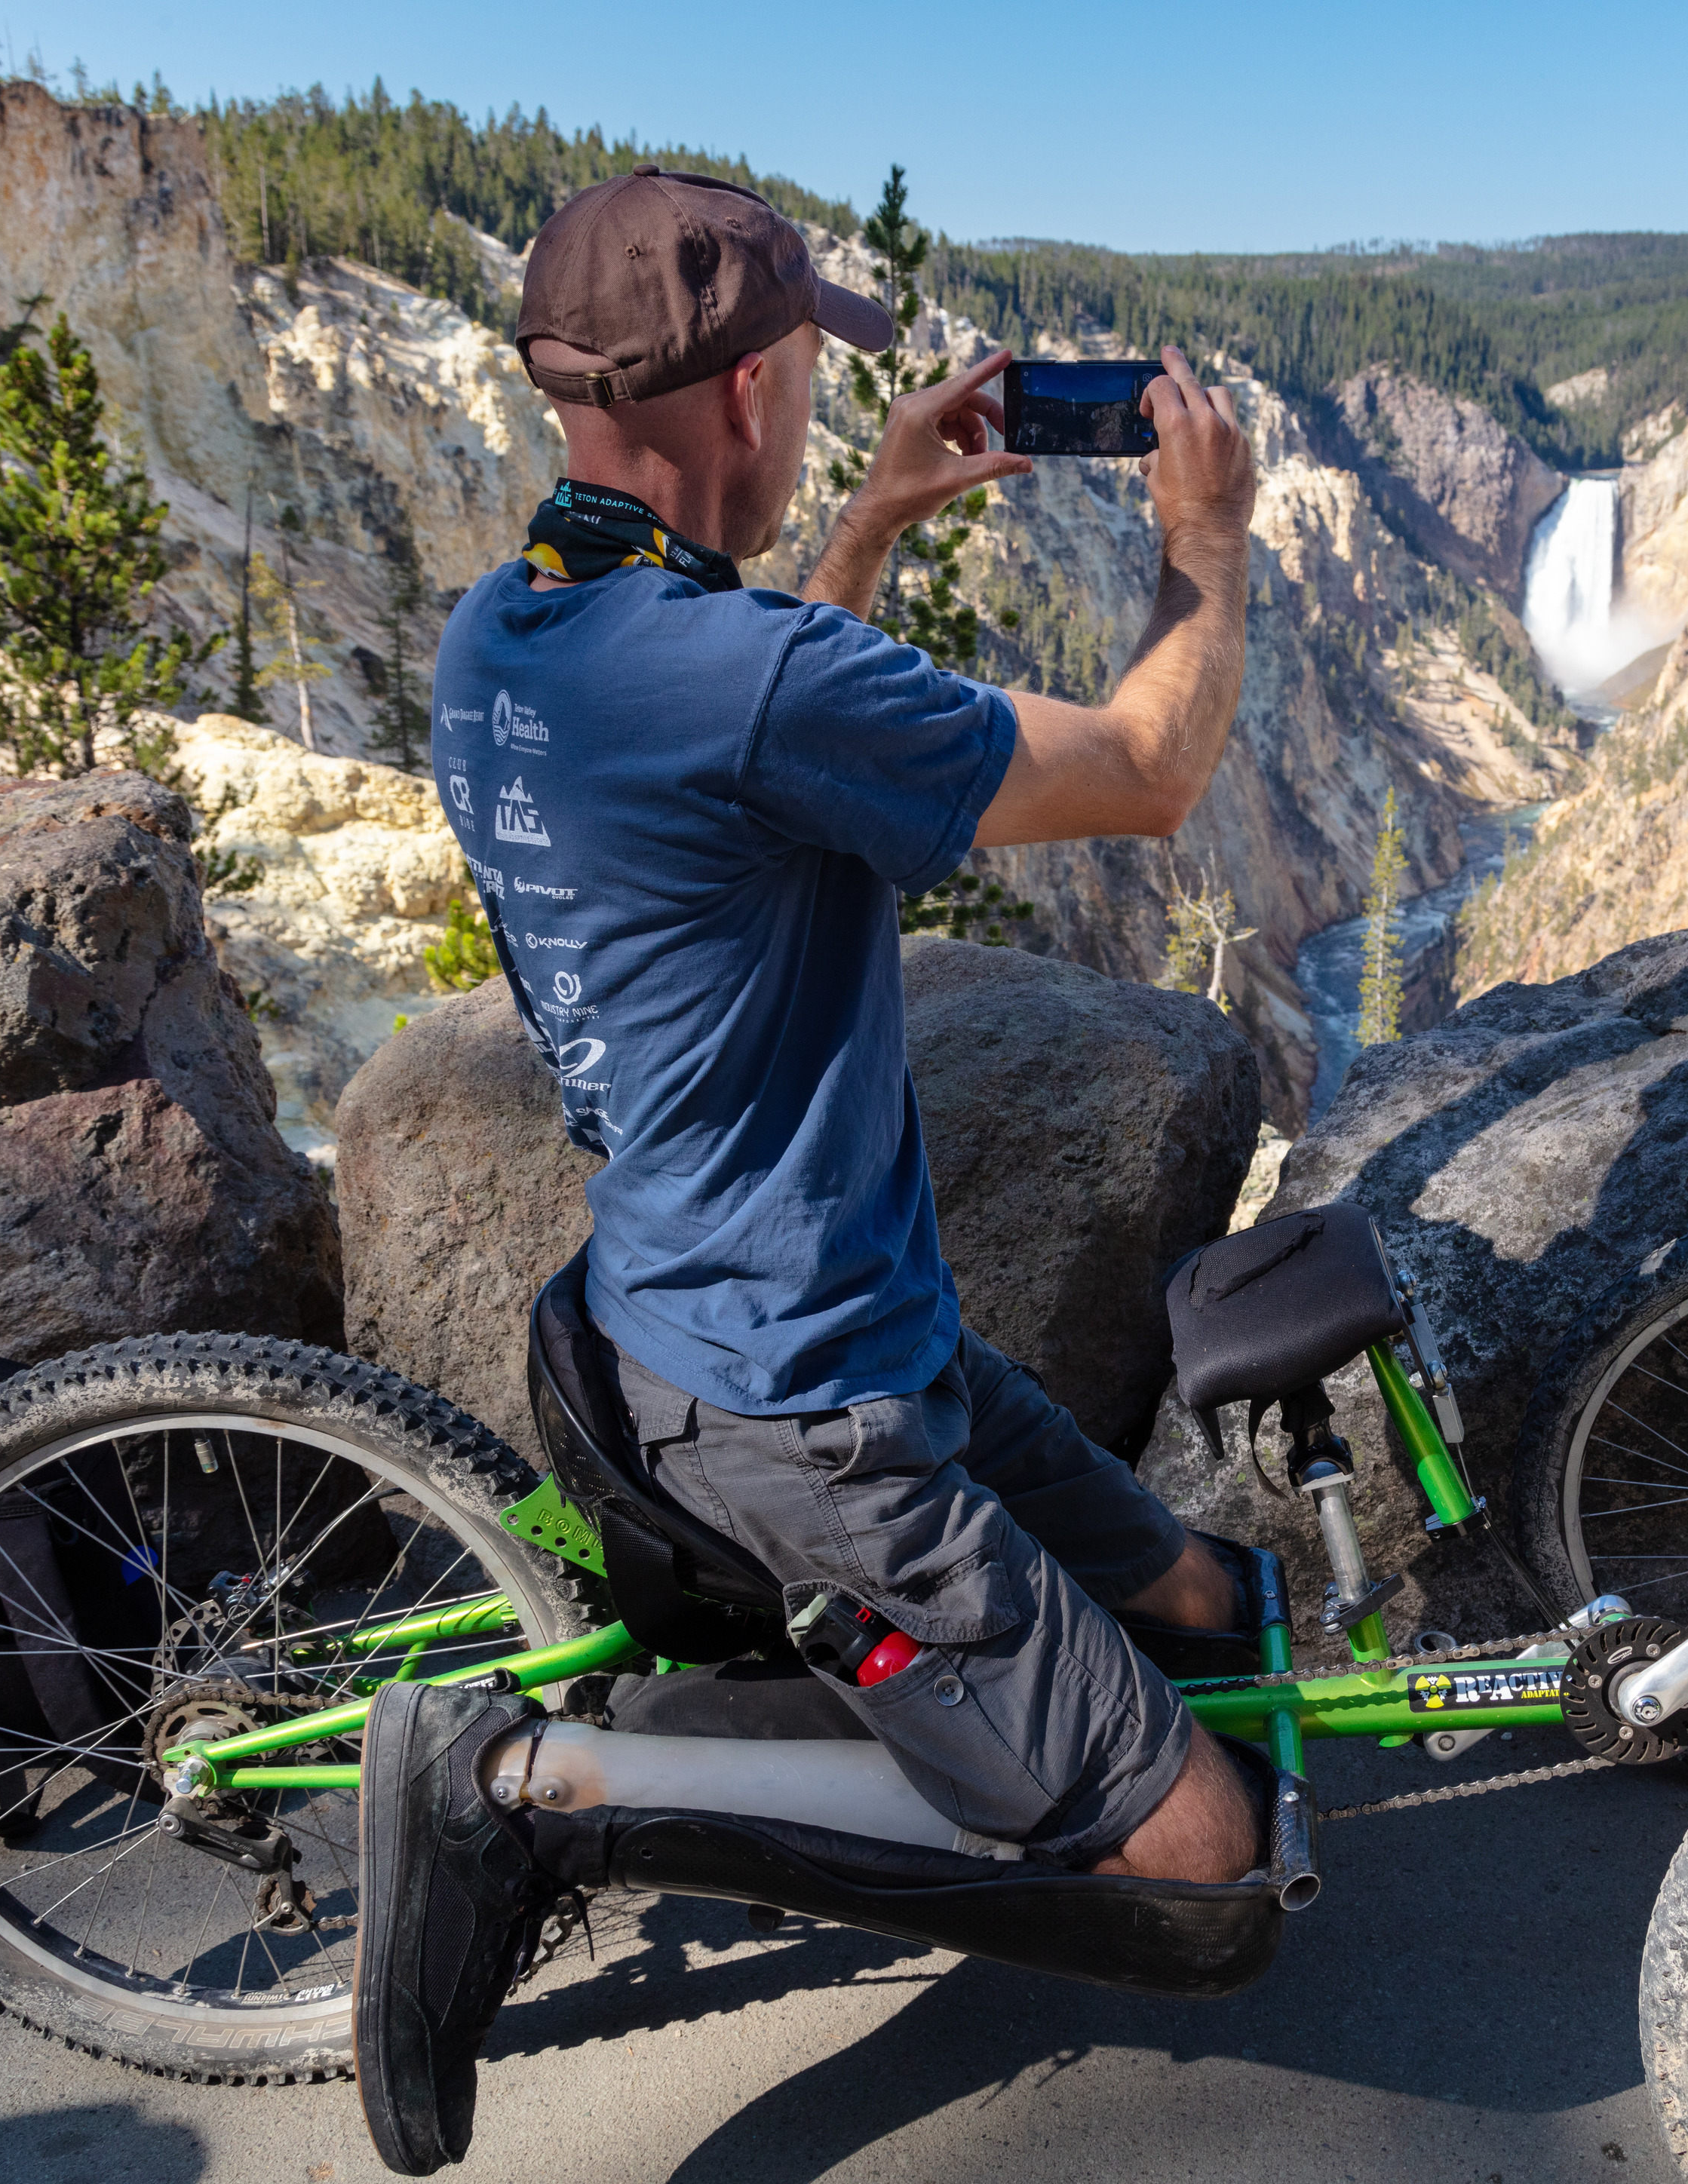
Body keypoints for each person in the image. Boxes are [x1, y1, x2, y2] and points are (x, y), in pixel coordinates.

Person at [352, 166, 1265, 2175]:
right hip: (795, 1398)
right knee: (1207, 1874)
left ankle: (969, 1706)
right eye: (801, 379)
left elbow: (746, 750)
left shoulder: (515, 631)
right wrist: (1207, 552)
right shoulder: (746, 679)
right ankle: (522, 1777)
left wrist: (863, 527)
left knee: (1218, 1610)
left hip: (766, 1317)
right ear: (753, 390)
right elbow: (1149, 768)